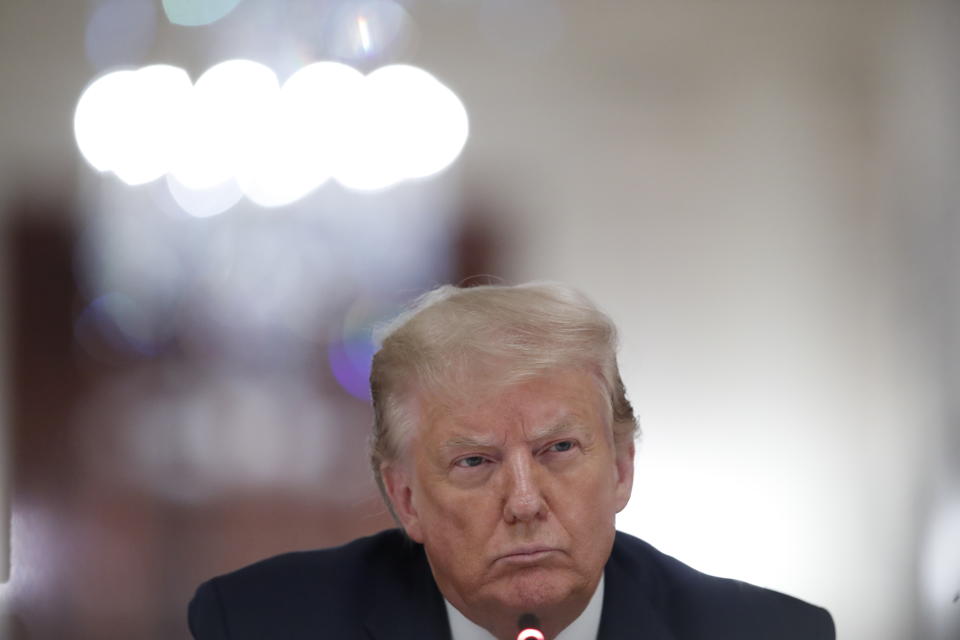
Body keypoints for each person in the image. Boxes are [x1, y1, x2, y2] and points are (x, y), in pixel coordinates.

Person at [188, 282, 835, 639]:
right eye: (474, 462)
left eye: (558, 450)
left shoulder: (767, 635)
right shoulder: (257, 626)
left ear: (620, 470)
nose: (524, 502)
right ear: (405, 497)